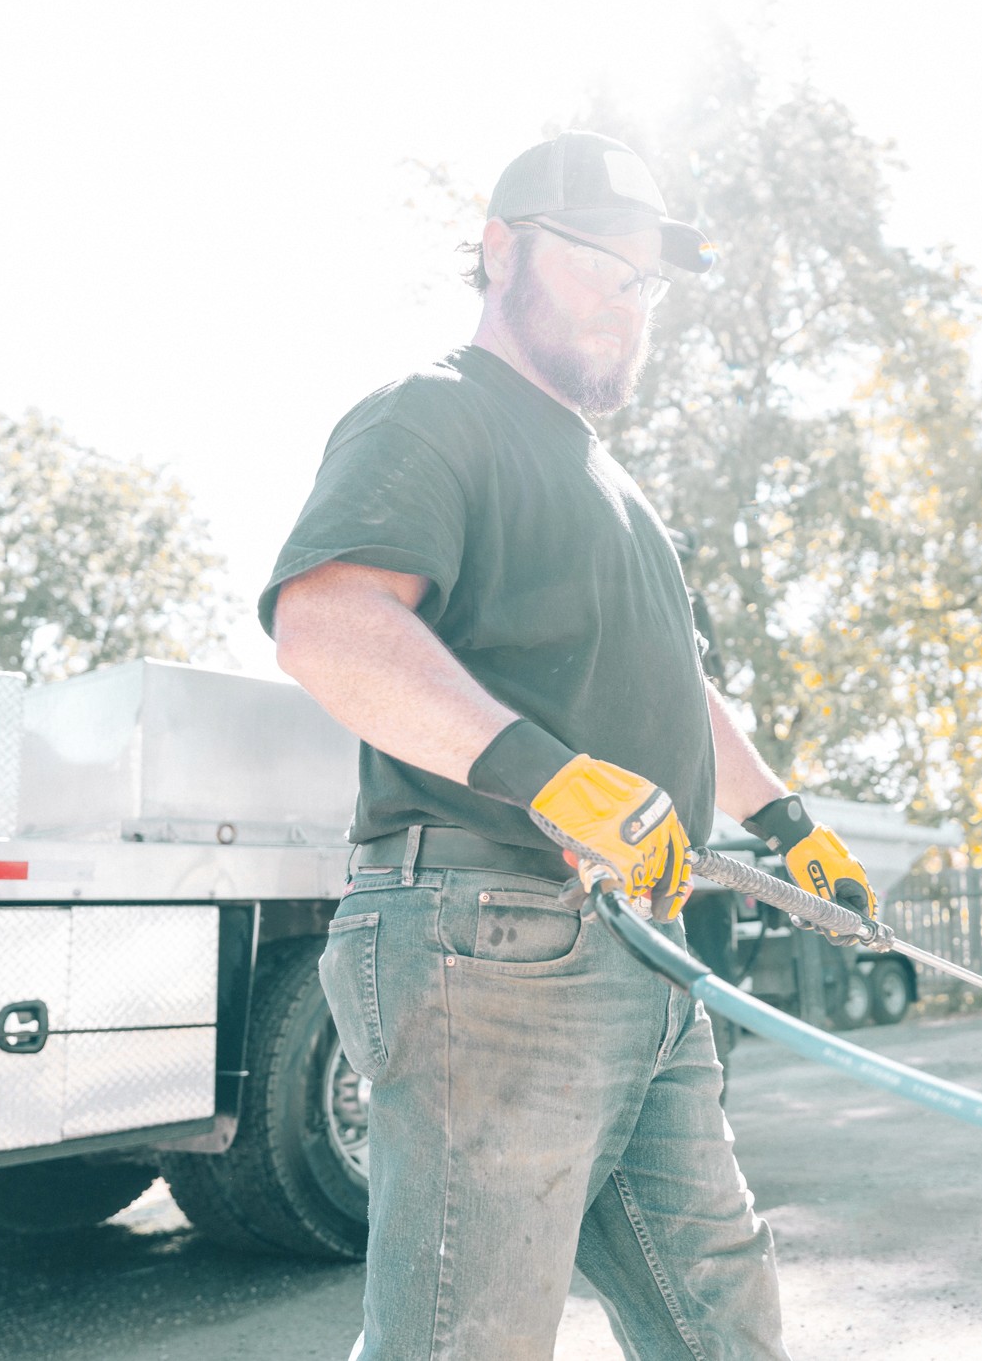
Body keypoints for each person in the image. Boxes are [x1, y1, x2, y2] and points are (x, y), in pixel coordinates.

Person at [261, 130, 880, 1361]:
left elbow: (679, 683)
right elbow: (325, 622)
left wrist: (784, 824)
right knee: (466, 1339)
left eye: (648, 281)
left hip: (644, 949)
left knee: (723, 1316)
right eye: (605, 263)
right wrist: (541, 770)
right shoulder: (431, 415)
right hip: (485, 946)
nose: (633, 303)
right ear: (499, 252)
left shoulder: (613, 485)